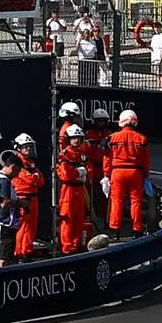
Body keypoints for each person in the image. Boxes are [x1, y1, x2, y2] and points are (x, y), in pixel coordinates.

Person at [55, 110, 99, 256]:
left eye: (78, 138)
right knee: (68, 219)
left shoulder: (82, 155)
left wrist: (82, 173)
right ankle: (67, 248)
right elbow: (65, 174)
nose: (76, 141)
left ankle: (76, 245)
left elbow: (90, 170)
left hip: (80, 190)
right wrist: (79, 173)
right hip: (68, 190)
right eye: (73, 138)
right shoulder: (65, 155)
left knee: (79, 219)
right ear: (69, 139)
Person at [104, 108, 153, 235]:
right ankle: (137, 229)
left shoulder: (112, 138)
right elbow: (145, 160)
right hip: (135, 173)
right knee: (136, 202)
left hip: (117, 173)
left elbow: (107, 157)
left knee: (117, 201)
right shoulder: (142, 139)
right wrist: (145, 174)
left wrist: (107, 174)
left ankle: (114, 230)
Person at [5, 136, 47, 261]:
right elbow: (30, 179)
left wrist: (34, 177)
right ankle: (19, 252)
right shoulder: (17, 162)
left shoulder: (31, 163)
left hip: (33, 197)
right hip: (22, 197)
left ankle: (27, 250)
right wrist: (34, 177)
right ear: (18, 148)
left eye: (30, 146)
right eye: (25, 147)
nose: (28, 149)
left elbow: (41, 181)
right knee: (23, 226)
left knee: (31, 226)